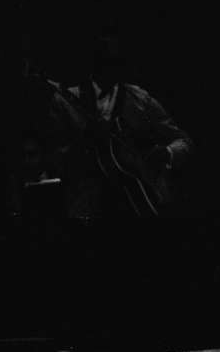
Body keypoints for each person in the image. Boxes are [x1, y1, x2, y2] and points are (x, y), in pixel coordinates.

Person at [43, 32, 194, 217]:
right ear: (94, 65)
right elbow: (52, 159)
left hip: (142, 200)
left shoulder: (140, 99)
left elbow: (182, 140)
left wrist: (167, 153)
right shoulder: (66, 102)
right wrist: (84, 144)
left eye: (116, 62)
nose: (112, 69)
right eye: (106, 62)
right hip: (90, 207)